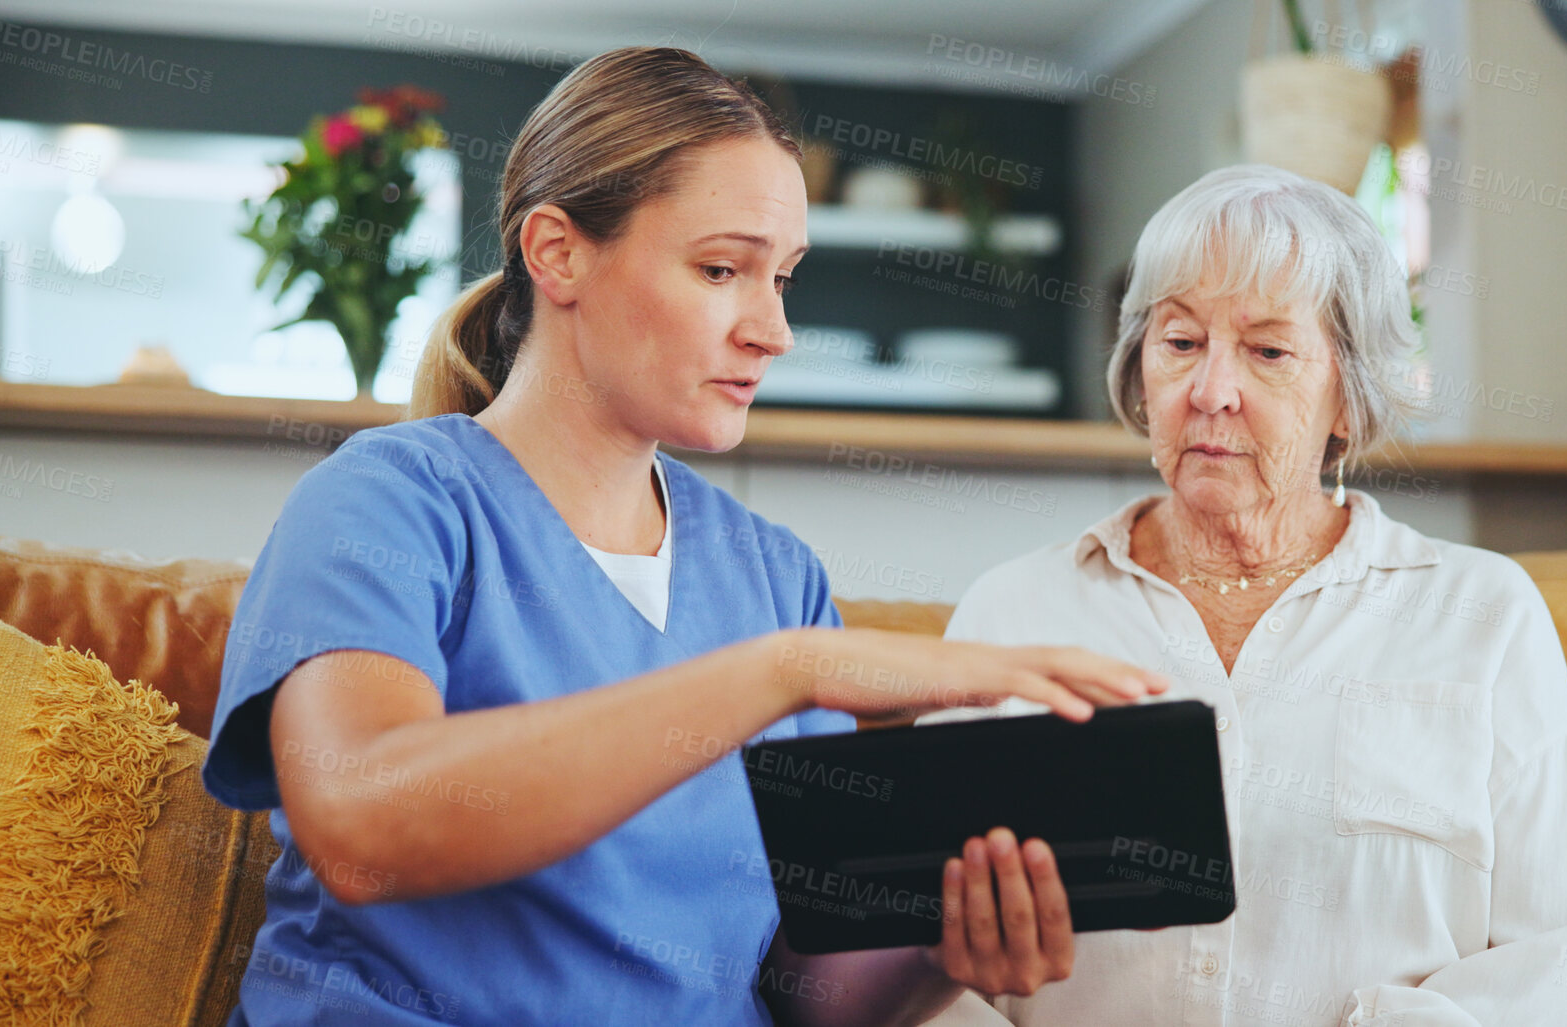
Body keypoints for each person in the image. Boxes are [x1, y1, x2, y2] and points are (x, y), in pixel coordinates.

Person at [203, 46, 1167, 1027]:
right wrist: (782, 670)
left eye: (783, 279)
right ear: (557, 252)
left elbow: (811, 991)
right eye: (722, 269)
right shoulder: (389, 503)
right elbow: (364, 827)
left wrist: (942, 944)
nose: (773, 330)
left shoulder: (775, 575)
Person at [923, 164, 1567, 1026]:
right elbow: (918, 950)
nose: (1210, 391)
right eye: (1180, 343)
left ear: (1349, 395)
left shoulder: (1483, 614)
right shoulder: (1017, 609)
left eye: (1267, 352)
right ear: (1139, 371)